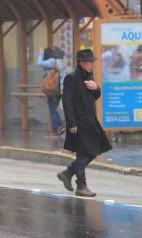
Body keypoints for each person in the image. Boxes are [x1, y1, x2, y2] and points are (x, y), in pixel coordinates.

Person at [57, 49, 112, 197]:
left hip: (90, 120)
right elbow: (67, 102)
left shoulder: (89, 77)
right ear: (81, 62)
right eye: (89, 62)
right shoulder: (71, 78)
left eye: (92, 61)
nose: (92, 64)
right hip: (79, 121)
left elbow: (94, 97)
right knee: (83, 153)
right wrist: (71, 123)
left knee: (93, 151)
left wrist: (97, 89)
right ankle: (81, 186)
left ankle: (68, 173)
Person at [38, 47, 66, 136]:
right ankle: (55, 131)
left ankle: (61, 125)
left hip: (53, 89)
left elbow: (40, 63)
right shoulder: (61, 62)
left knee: (52, 110)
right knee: (52, 109)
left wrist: (40, 53)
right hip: (59, 89)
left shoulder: (52, 61)